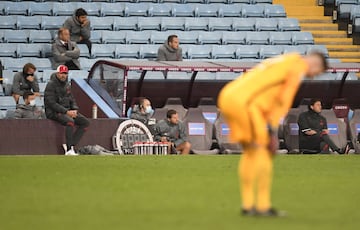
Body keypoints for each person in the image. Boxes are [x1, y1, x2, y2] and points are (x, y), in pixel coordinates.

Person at [218, 52, 328, 216]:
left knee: (250, 152)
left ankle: (248, 205)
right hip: (246, 103)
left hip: (230, 95)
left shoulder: (284, 59)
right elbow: (282, 101)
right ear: (315, 64)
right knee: (264, 152)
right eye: (317, 73)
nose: (312, 77)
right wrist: (272, 131)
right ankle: (263, 206)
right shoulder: (297, 67)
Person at [44, 65, 89, 156]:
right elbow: (52, 103)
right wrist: (66, 112)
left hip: (67, 111)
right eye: (61, 73)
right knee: (70, 122)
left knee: (85, 122)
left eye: (65, 73)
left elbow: (72, 99)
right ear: (57, 73)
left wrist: (74, 110)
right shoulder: (51, 85)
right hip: (54, 112)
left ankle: (71, 144)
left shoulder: (67, 85)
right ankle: (69, 150)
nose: (63, 75)